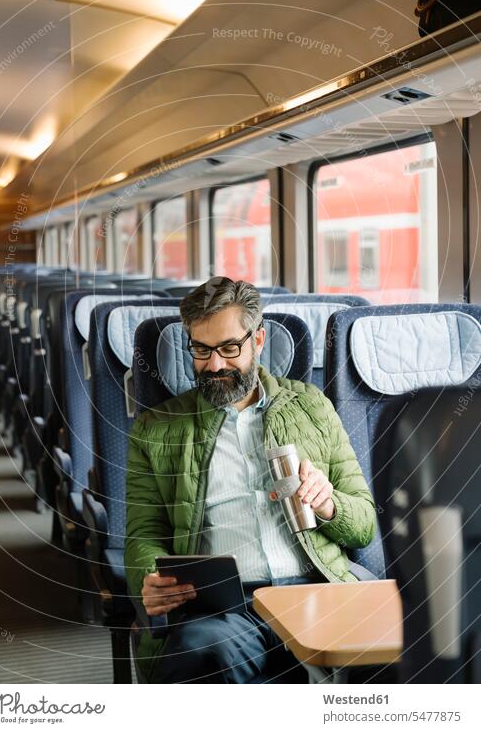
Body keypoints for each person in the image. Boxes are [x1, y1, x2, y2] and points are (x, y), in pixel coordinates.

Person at [126, 277, 376, 683]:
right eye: (201, 350)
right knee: (204, 655)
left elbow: (364, 523)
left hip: (313, 590)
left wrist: (328, 504)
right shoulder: (156, 428)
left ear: (257, 340)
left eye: (229, 348)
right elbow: (142, 533)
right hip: (225, 609)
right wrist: (148, 579)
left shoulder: (312, 406)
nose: (215, 365)